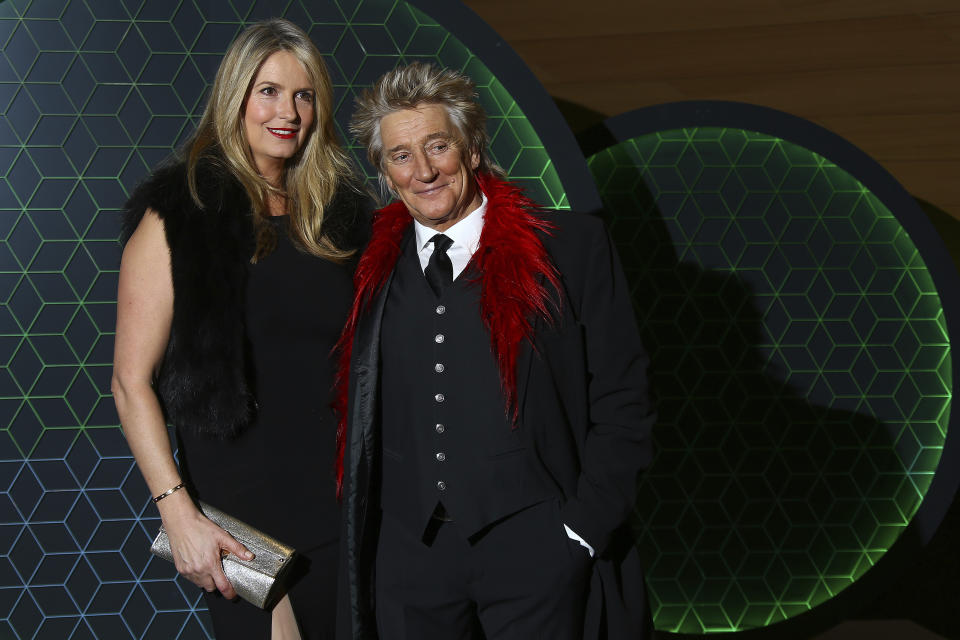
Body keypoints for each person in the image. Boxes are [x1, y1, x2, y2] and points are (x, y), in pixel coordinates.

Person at [335, 61, 655, 640]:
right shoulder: (365, 271)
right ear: (383, 172)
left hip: (537, 544)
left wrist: (582, 530)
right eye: (401, 155)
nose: (424, 171)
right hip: (411, 556)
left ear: (473, 148)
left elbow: (623, 395)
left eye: (438, 146)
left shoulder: (571, 250)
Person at [112, 19, 368, 640]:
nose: (288, 112)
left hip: (343, 500)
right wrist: (177, 511)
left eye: (304, 96)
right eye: (269, 91)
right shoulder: (178, 211)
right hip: (242, 513)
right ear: (236, 98)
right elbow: (129, 382)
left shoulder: (342, 217)